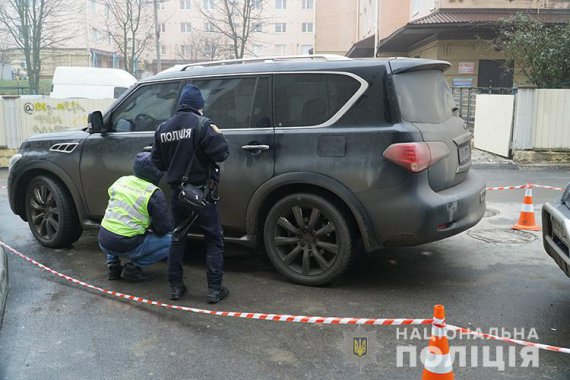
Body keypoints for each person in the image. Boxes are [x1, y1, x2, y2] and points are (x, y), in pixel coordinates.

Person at [151, 84, 230, 303]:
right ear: (199, 106)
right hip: (203, 194)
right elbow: (222, 153)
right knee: (214, 239)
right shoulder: (204, 124)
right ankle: (215, 289)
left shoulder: (163, 128)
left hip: (178, 194)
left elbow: (157, 162)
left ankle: (175, 287)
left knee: (177, 238)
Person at [98, 152, 172, 282]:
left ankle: (113, 267)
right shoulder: (154, 193)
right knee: (173, 242)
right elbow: (163, 229)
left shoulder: (122, 180)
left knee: (117, 224)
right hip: (126, 244)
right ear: (158, 173)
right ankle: (134, 268)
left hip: (103, 240)